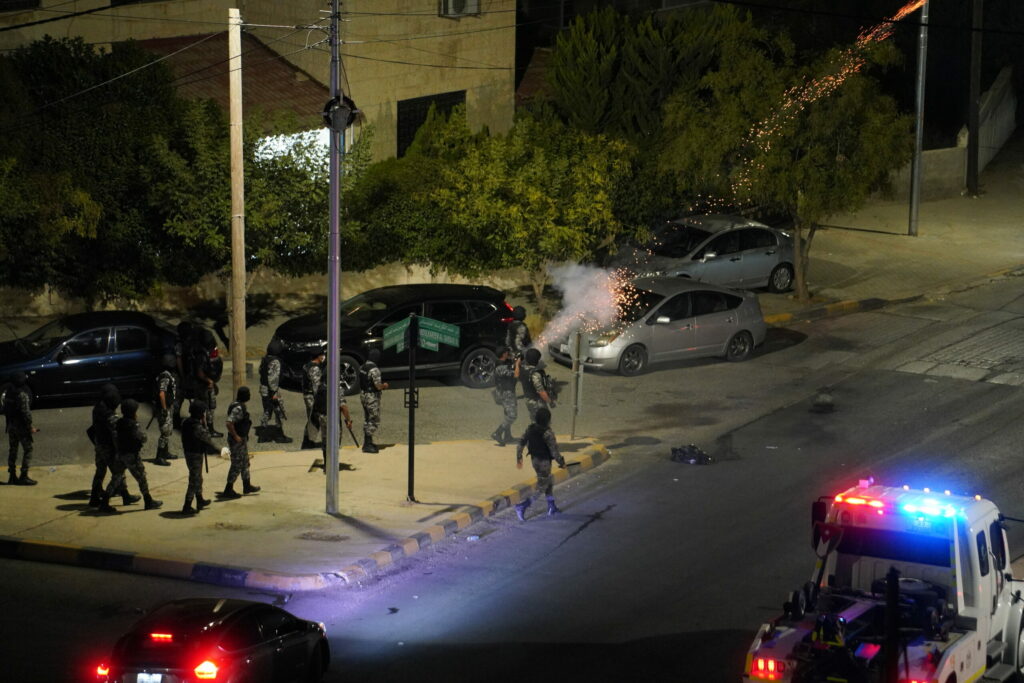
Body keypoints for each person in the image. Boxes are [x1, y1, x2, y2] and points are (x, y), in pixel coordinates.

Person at [98, 399, 162, 512]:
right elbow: (142, 438)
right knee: (141, 477)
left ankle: (105, 502)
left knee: (116, 477)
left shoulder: (119, 422)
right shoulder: (133, 424)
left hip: (120, 454)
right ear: (133, 412)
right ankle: (148, 500)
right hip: (131, 456)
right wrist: (143, 435)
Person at [88, 384, 139, 507]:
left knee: (100, 471)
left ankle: (94, 497)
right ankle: (121, 497)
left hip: (99, 444)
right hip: (107, 446)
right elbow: (116, 432)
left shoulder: (98, 408)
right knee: (118, 472)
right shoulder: (109, 414)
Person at [514, 407, 566, 521]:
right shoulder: (548, 433)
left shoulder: (530, 429)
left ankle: (552, 506)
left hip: (535, 460)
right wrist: (561, 462)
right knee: (542, 486)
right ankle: (522, 506)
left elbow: (521, 442)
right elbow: (554, 451)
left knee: (548, 481)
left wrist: (519, 456)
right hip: (544, 462)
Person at [180, 400, 219, 515]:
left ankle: (200, 499)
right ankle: (187, 505)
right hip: (195, 454)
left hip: (189, 452)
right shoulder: (197, 427)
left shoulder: (186, 422)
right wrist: (205, 424)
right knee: (194, 479)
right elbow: (207, 438)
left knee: (198, 477)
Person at [220, 386, 259, 499]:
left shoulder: (239, 405)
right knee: (236, 464)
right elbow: (229, 423)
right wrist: (236, 436)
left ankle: (247, 486)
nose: (249, 395)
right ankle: (228, 489)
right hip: (236, 440)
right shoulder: (238, 408)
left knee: (245, 462)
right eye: (248, 393)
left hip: (242, 439)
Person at [5, 372, 38, 485]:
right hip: (21, 426)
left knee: (13, 449)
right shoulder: (22, 395)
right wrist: (30, 427)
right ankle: (24, 475)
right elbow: (26, 414)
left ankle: (12, 476)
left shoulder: (8, 393)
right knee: (28, 449)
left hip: (11, 425)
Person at [311, 375, 353, 463]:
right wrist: (348, 420)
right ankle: (332, 464)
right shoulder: (337, 389)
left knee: (325, 440)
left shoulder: (320, 386)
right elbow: (343, 407)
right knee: (335, 441)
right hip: (333, 418)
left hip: (322, 417)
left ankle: (327, 463)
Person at [257, 339, 292, 443]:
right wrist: (274, 393)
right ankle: (279, 435)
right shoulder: (275, 361)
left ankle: (263, 435)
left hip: (264, 389)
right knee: (279, 412)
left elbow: (261, 372)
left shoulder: (266, 359)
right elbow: (273, 379)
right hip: (271, 391)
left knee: (267, 411)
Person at [192, 328, 223, 437]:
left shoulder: (201, 351)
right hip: (203, 385)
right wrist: (209, 381)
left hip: (204, 384)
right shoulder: (201, 354)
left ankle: (208, 429)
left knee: (209, 407)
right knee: (207, 407)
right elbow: (200, 373)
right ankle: (208, 430)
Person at [359, 349, 389, 453]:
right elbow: (378, 386)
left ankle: (368, 442)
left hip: (363, 395)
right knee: (374, 419)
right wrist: (384, 386)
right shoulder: (374, 369)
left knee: (367, 418)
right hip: (371, 397)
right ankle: (367, 444)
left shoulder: (362, 367)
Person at [152, 354, 179, 466]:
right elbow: (162, 394)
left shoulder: (166, 374)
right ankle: (159, 457)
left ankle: (165, 453)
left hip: (168, 406)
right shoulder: (165, 376)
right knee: (165, 432)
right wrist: (164, 409)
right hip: (164, 408)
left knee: (168, 430)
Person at [490, 347, 519, 446]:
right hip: (506, 393)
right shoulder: (501, 367)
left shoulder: (500, 363)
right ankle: (497, 433)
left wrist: (514, 361)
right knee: (512, 415)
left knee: (507, 414)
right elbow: (516, 375)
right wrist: (517, 364)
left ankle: (507, 436)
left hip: (504, 392)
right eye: (507, 352)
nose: (508, 354)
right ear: (504, 354)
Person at [300, 348, 326, 449]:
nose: (323, 357)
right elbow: (316, 386)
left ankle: (308, 441)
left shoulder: (307, 365)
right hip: (312, 397)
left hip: (307, 395)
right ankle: (308, 442)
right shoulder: (314, 368)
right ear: (319, 356)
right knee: (315, 419)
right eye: (322, 355)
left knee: (313, 419)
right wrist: (320, 400)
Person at [520, 348, 554, 422]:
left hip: (528, 400)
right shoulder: (535, 374)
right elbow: (541, 391)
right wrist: (550, 401)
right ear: (537, 360)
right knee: (543, 422)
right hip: (537, 402)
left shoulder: (523, 370)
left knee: (534, 420)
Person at [173, 321, 194, 429]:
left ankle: (194, 418)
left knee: (189, 397)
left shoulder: (187, 342)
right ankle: (176, 420)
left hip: (188, 374)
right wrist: (182, 376)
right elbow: (179, 360)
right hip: (182, 374)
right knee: (179, 397)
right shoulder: (180, 343)